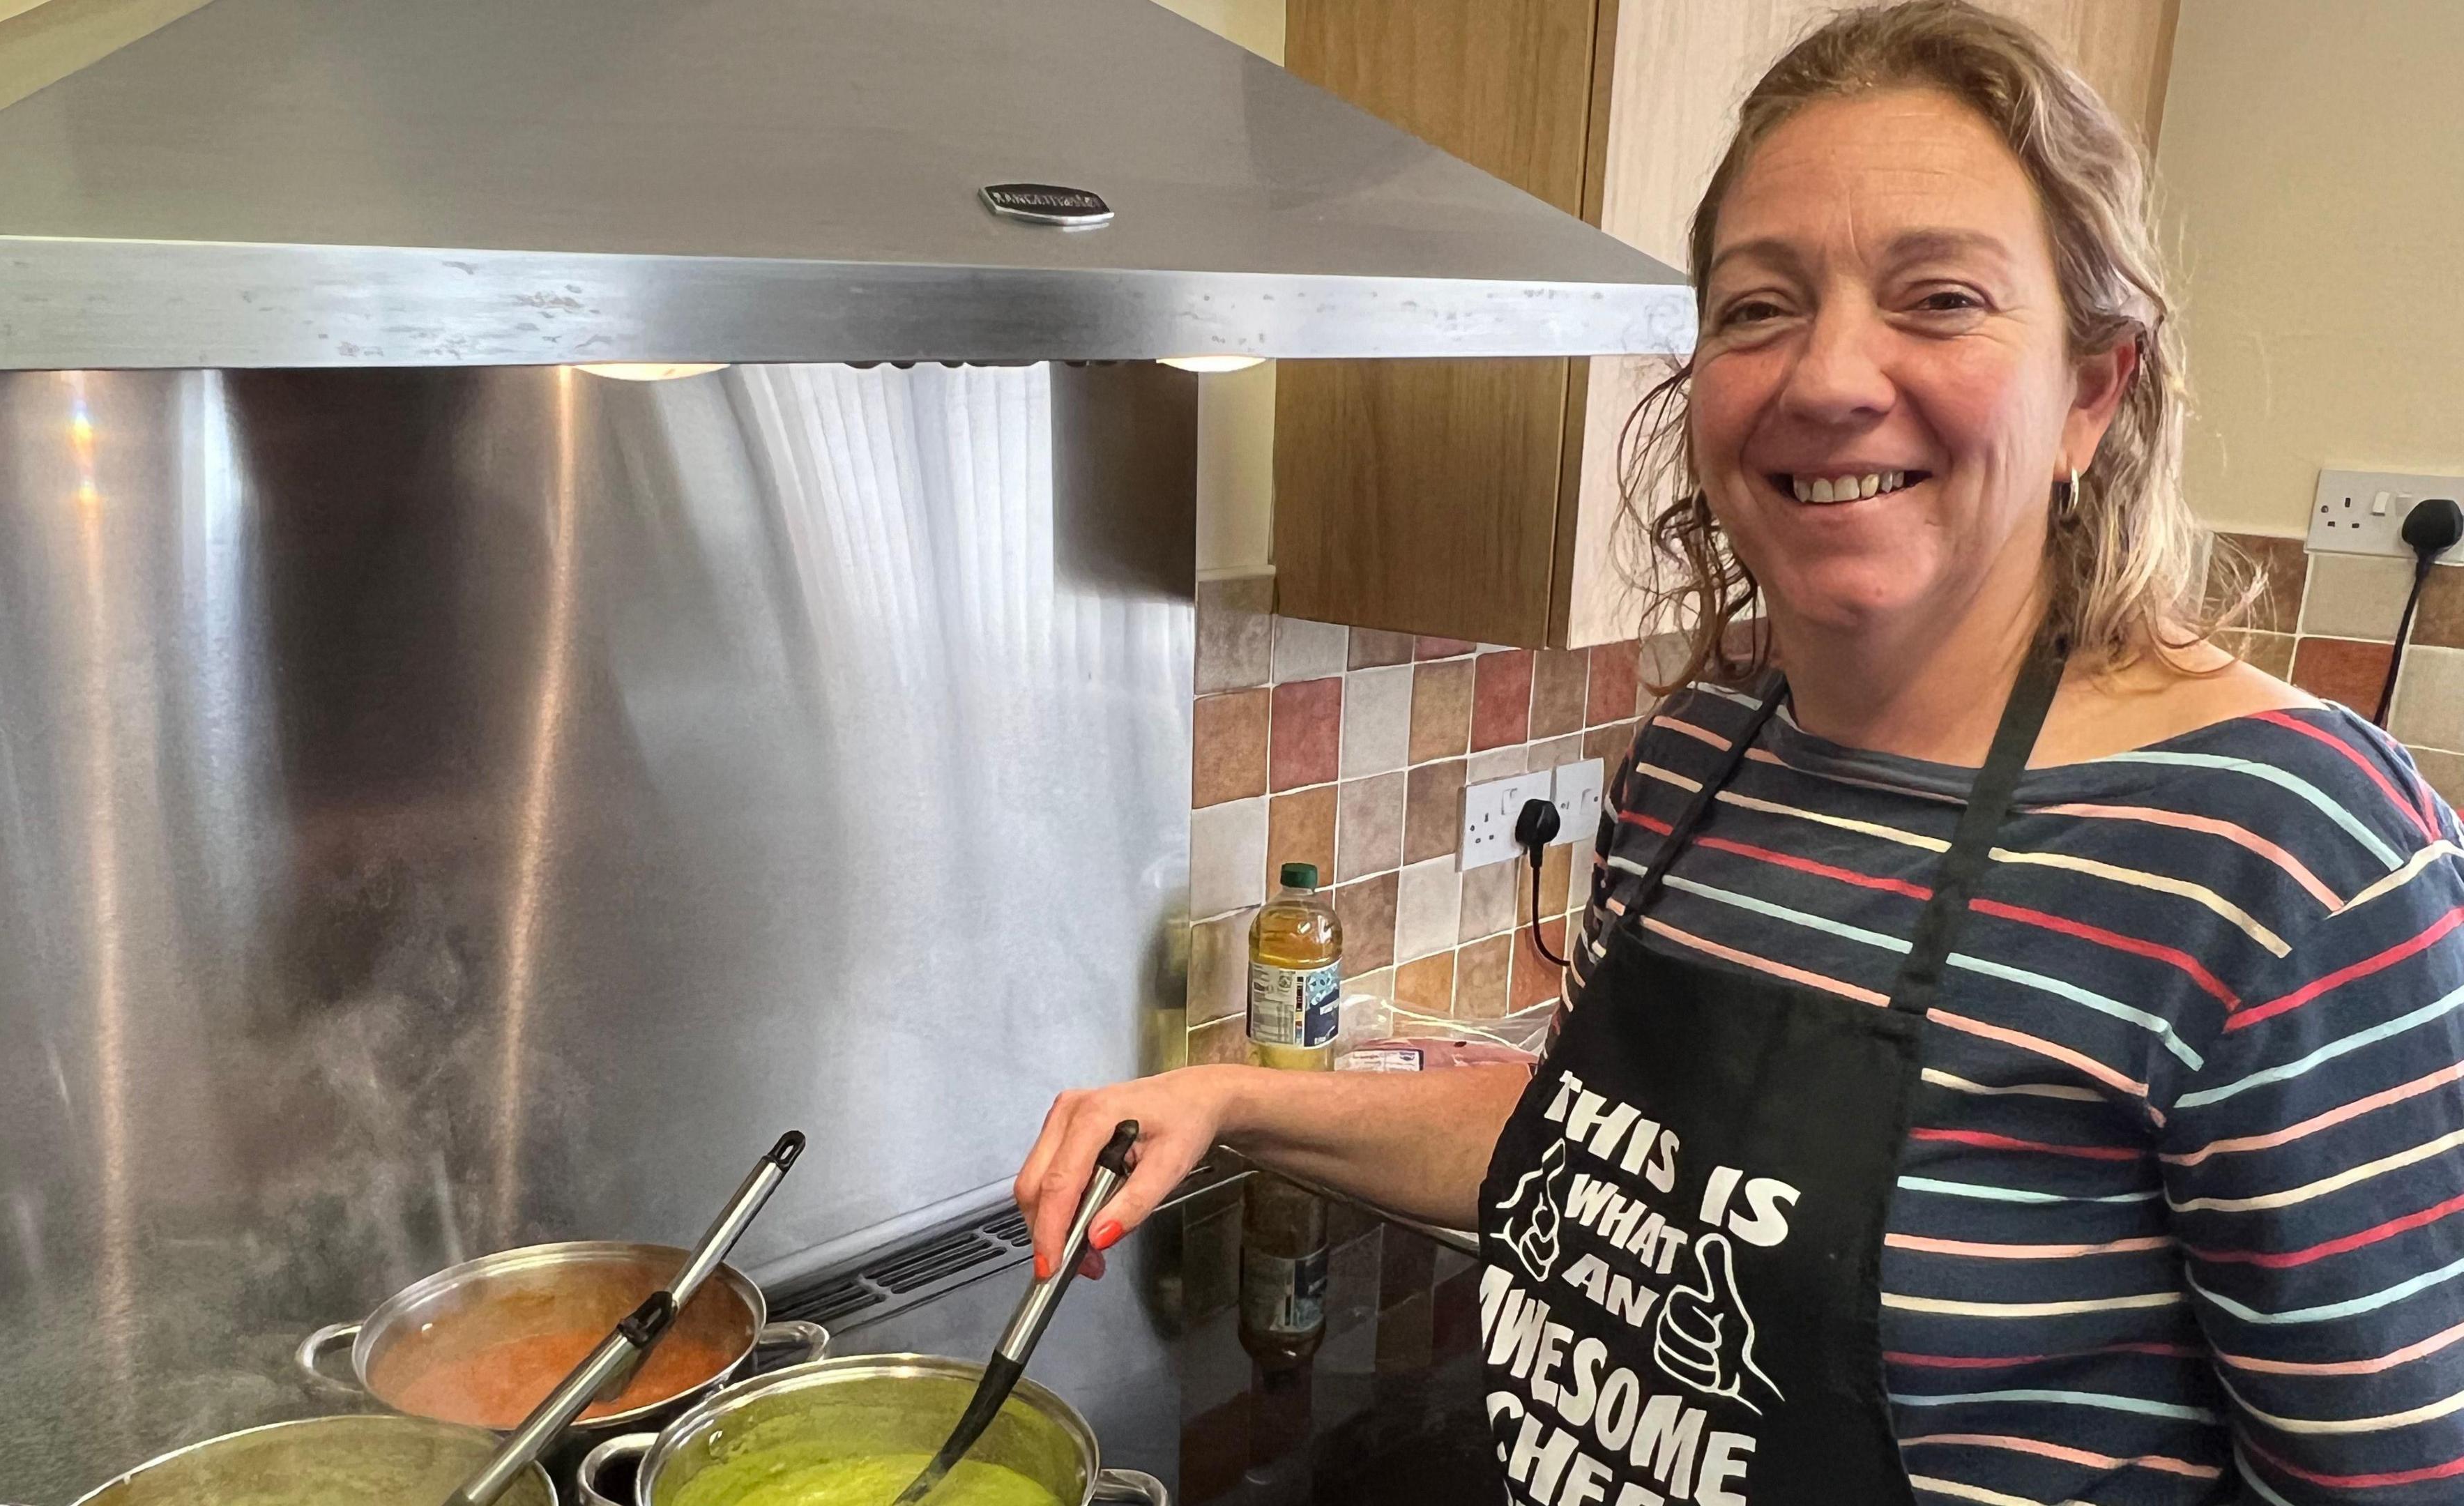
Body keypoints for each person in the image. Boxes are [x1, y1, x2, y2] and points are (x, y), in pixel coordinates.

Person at [1016, 4, 2464, 1503]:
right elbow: (1603, 1152)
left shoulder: (2286, 855)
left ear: (2092, 391)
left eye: (1941, 298)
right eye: (1759, 306)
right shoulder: (1706, 752)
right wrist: (1239, 1100)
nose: (1830, 375)